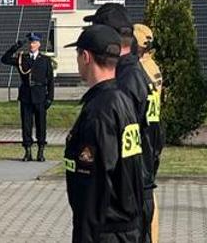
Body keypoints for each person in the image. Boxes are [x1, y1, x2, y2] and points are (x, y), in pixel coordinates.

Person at [62, 23, 148, 243]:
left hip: (106, 230)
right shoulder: (122, 100)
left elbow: (94, 183)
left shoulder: (99, 110)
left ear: (86, 57)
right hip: (128, 227)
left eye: (78, 55)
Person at [133, 22, 166, 243]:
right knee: (148, 192)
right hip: (153, 132)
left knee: (143, 194)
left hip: (144, 134)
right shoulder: (152, 66)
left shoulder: (141, 70)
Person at [1, 33, 55, 162]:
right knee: (26, 124)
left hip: (40, 95)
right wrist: (16, 47)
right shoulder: (22, 58)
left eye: (34, 42)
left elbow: (50, 80)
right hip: (26, 95)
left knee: (41, 124)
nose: (32, 45)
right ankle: (28, 151)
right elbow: (5, 59)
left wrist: (50, 97)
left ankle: (41, 151)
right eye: (30, 42)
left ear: (39, 44)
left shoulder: (45, 60)